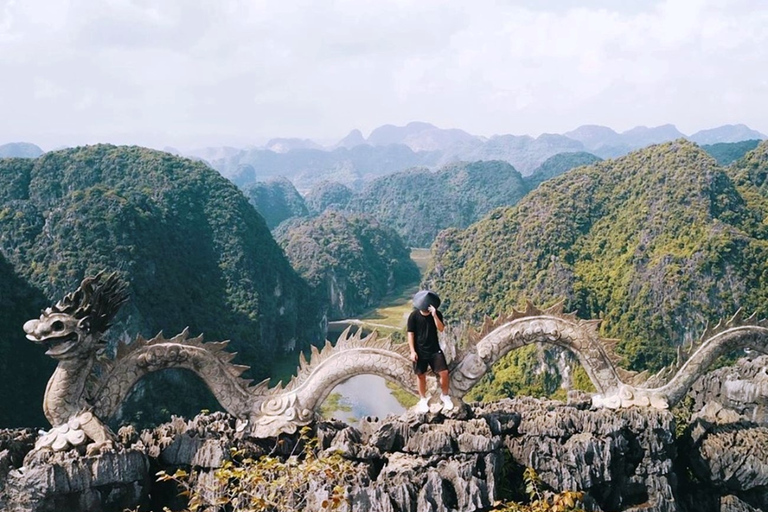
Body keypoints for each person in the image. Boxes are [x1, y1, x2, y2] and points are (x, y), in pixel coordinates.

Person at [407, 290, 453, 412]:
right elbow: (410, 334)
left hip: (434, 350)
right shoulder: (414, 316)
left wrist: (434, 316)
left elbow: (441, 328)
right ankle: (422, 399)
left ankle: (445, 396)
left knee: (444, 372)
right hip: (419, 350)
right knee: (420, 375)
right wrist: (412, 351)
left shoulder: (437, 314)